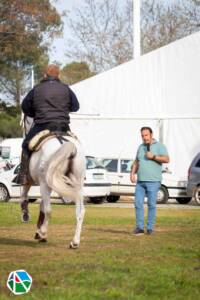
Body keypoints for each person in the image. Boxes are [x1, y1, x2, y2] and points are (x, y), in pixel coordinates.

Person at [17, 64, 80, 185]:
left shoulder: (36, 89)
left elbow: (25, 107)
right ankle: (78, 174)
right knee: (76, 144)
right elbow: (76, 106)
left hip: (42, 125)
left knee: (25, 145)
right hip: (63, 126)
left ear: (45, 75)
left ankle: (24, 175)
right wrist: (64, 109)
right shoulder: (66, 88)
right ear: (59, 75)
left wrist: (34, 113)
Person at [130, 127, 169, 235]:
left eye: (146, 135)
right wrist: (132, 173)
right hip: (140, 182)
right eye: (142, 135)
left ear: (151, 135)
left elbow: (167, 159)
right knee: (138, 204)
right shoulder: (140, 147)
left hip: (154, 181)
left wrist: (153, 156)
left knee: (151, 205)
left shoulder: (160, 146)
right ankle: (140, 228)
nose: (144, 137)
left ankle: (150, 228)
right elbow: (137, 162)